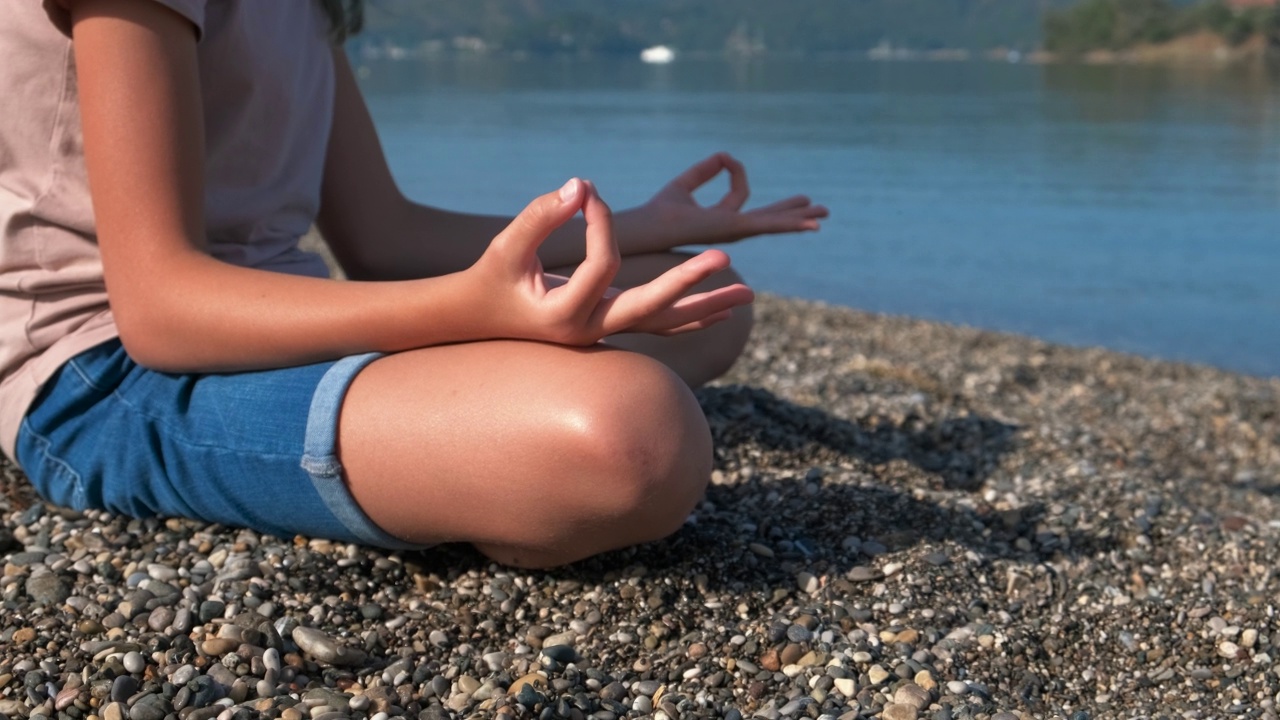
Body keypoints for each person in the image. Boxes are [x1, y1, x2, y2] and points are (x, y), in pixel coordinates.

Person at [0, 0, 827, 568]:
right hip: (105, 374)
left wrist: (649, 227)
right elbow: (161, 311)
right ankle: (494, 474)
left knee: (708, 305)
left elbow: (385, 236)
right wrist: (474, 310)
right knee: (635, 438)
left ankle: (477, 460)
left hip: (277, 328)